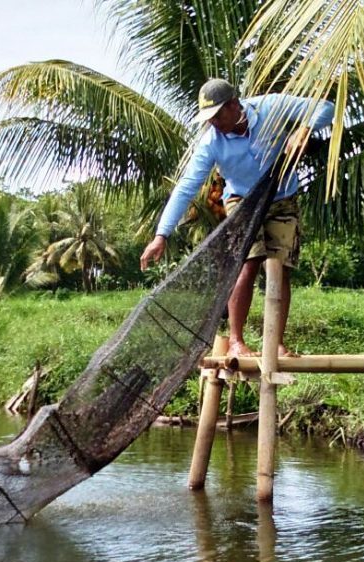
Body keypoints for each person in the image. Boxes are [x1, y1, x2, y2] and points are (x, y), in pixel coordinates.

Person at [139, 78, 334, 358]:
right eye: (209, 118)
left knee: (280, 269)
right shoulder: (211, 143)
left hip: (282, 198)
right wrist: (161, 235)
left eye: (217, 115)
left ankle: (275, 344)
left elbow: (326, 108)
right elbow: (186, 188)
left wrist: (304, 129)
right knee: (249, 262)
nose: (214, 123)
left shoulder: (271, 107)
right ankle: (236, 341)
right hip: (242, 201)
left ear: (234, 105)